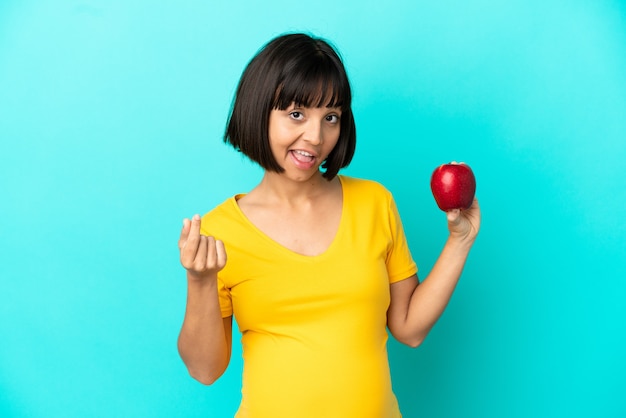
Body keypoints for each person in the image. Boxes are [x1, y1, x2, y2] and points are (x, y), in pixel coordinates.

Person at [177, 32, 481, 418]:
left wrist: (459, 241)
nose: (316, 137)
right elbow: (205, 370)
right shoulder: (221, 231)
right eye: (296, 114)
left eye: (331, 117)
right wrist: (200, 281)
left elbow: (409, 328)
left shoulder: (374, 203)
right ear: (258, 111)